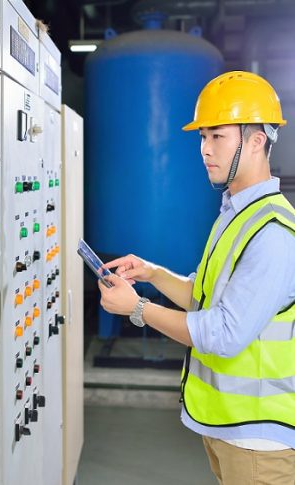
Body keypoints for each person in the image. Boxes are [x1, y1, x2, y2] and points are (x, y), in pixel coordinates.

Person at [98, 71, 295, 485]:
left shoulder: (274, 234)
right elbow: (205, 297)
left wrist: (137, 308)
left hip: (258, 441)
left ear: (256, 140)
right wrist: (152, 274)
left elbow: (223, 332)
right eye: (202, 137)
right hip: (229, 428)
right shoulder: (236, 212)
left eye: (217, 136)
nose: (204, 149)